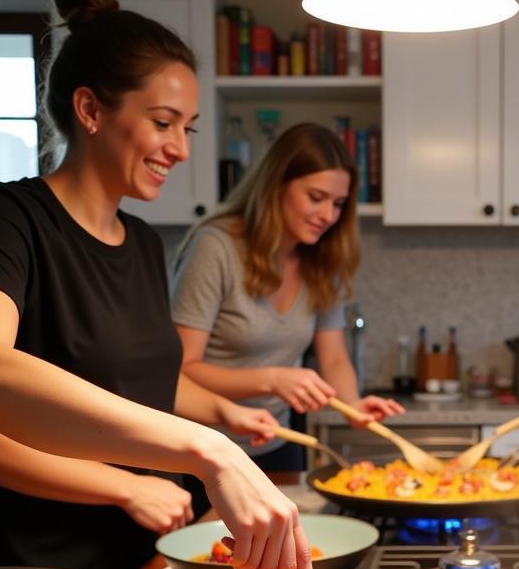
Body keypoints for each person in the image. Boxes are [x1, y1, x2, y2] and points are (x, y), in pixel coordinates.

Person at [0, 0, 313, 569]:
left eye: (187, 128)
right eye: (164, 122)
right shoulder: (7, 217)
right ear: (90, 110)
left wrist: (223, 414)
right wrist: (136, 479)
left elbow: (141, 377)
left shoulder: (142, 241)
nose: (181, 149)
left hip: (147, 564)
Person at [171, 122, 402, 517]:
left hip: (279, 441)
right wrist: (272, 379)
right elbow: (179, 369)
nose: (328, 215)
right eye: (316, 198)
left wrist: (353, 404)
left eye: (339, 203)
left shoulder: (320, 260)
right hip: (204, 450)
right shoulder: (216, 248)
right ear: (277, 185)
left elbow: (333, 357)